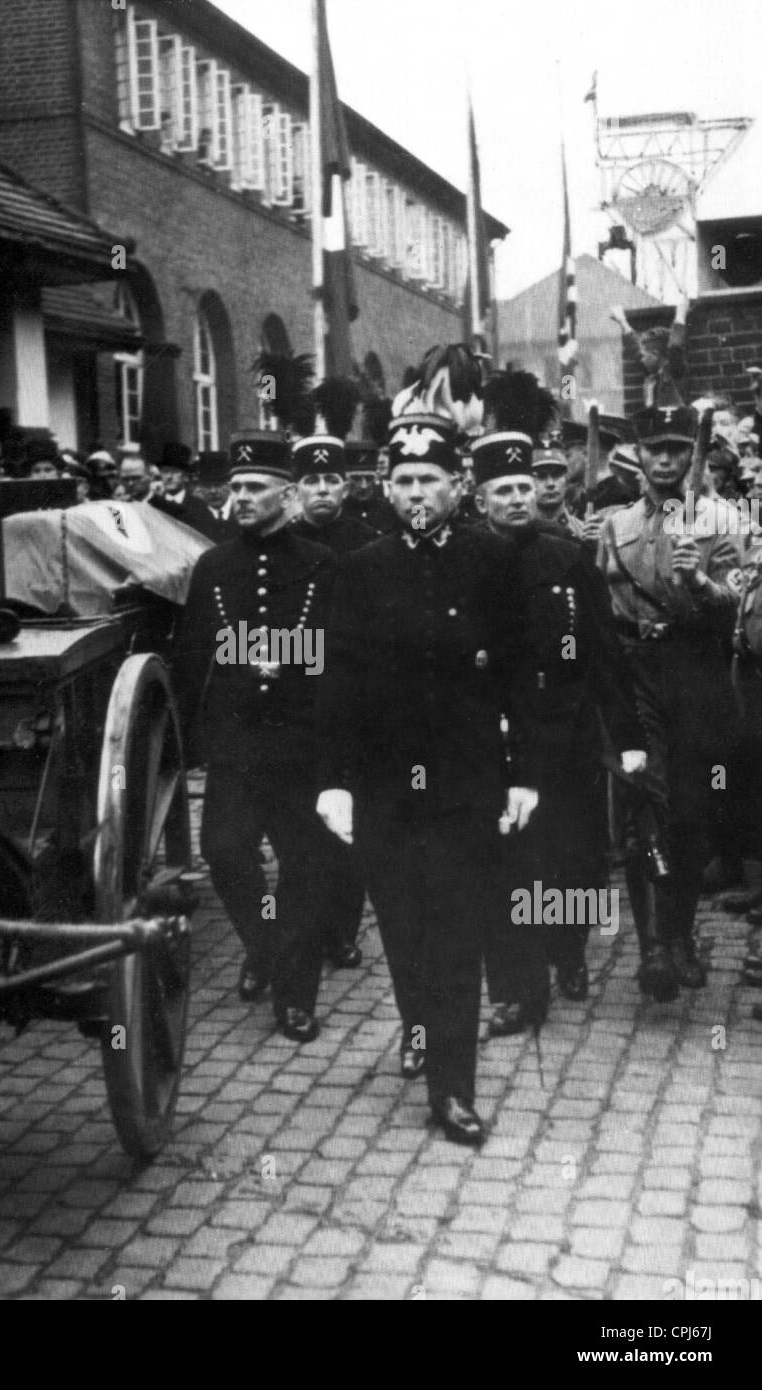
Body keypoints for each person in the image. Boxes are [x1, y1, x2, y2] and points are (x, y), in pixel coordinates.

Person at [315, 414, 541, 1145]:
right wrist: (335, 782)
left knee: (454, 930)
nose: (415, 493)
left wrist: (523, 775)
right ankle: (417, 1022)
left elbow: (518, 676)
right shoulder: (358, 568)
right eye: (402, 481)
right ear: (384, 487)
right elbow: (337, 684)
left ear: (457, 486)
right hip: (384, 783)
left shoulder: (493, 561)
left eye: (428, 480)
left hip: (464, 780)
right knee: (403, 926)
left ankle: (452, 1088)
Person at [474, 441, 648, 1029]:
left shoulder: (570, 557)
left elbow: (602, 651)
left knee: (575, 850)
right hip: (497, 729)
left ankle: (569, 951)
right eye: (504, 490)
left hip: (566, 721)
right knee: (510, 857)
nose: (518, 498)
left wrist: (627, 734)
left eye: (525, 487)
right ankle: (520, 991)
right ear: (480, 499)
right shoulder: (467, 559)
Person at [172, 430, 336, 1044]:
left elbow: (337, 659)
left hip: (303, 741)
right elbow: (192, 659)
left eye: (253, 488)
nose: (239, 498)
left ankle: (295, 996)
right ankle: (262, 946)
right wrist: (191, 745)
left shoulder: (322, 564)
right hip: (237, 743)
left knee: (306, 865)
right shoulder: (213, 566)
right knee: (222, 850)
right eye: (235, 488)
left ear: (287, 495)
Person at [596, 405, 743, 999]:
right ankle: (654, 947)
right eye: (654, 449)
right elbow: (604, 609)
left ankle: (679, 934)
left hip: (697, 674)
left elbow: (738, 602)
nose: (664, 460)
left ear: (691, 455)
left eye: (677, 449)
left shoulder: (724, 520)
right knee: (646, 808)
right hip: (637, 676)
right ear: (638, 454)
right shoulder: (615, 525)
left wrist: (699, 582)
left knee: (690, 812)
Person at [289, 419, 375, 971]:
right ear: (295, 490)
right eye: (311, 482)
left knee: (350, 819)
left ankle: (342, 929)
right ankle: (304, 926)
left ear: (346, 486)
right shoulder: (284, 544)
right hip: (296, 699)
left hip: (354, 697)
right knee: (301, 820)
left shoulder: (367, 543)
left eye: (332, 481)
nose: (322, 490)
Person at [611, 296, 688, 409]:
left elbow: (675, 347)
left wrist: (680, 315)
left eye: (644, 355)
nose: (641, 358)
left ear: (656, 354)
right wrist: (623, 322)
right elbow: (635, 346)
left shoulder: (673, 372)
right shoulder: (652, 376)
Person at [150, 441, 220, 535]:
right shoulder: (154, 505)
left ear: (185, 475)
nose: (169, 477)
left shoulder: (199, 507)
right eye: (165, 471)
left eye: (175, 471)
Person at [342, 440, 397, 536]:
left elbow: (418, 529)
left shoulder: (390, 510)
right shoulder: (338, 511)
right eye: (356, 479)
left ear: (376, 477)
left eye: (369, 478)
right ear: (345, 480)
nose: (364, 486)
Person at [189, 451, 235, 542]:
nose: (213, 491)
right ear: (200, 487)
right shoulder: (192, 520)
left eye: (218, 484)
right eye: (207, 485)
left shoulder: (242, 514)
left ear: (229, 485)